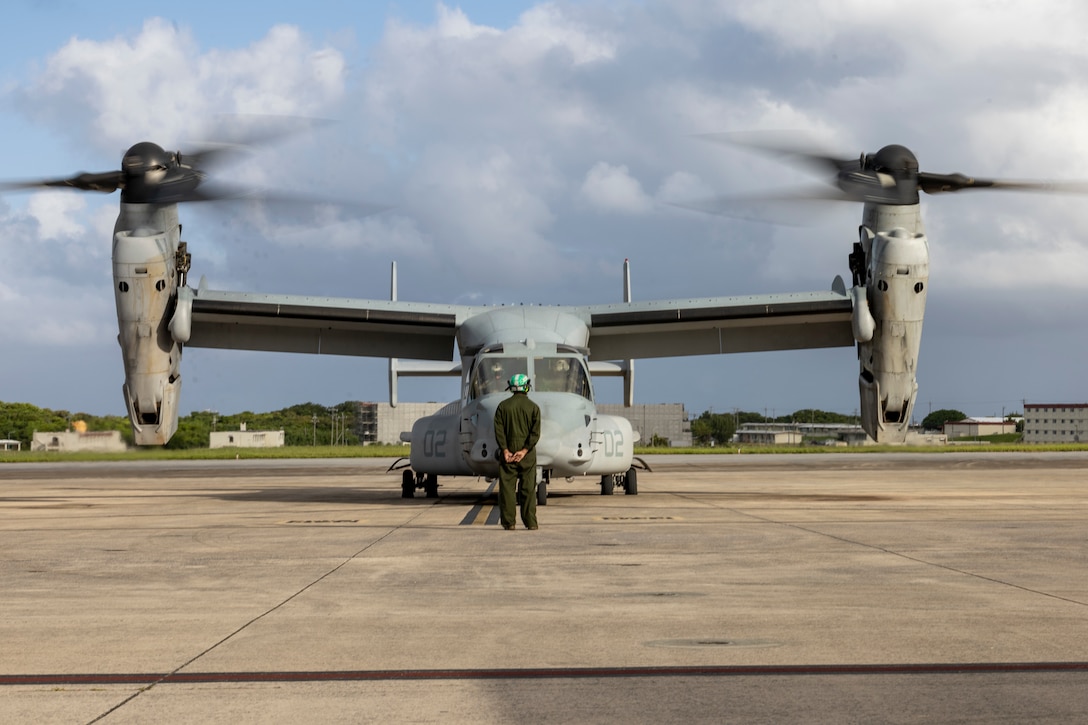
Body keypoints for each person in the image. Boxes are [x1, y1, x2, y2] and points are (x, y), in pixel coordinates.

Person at [493, 373, 542, 530]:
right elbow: (535, 433)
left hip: (507, 454)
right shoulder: (534, 408)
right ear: (526, 386)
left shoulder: (502, 406)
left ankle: (509, 523)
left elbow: (498, 430)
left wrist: (505, 450)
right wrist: (524, 450)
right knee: (528, 489)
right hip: (527, 456)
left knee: (507, 489)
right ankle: (531, 523)